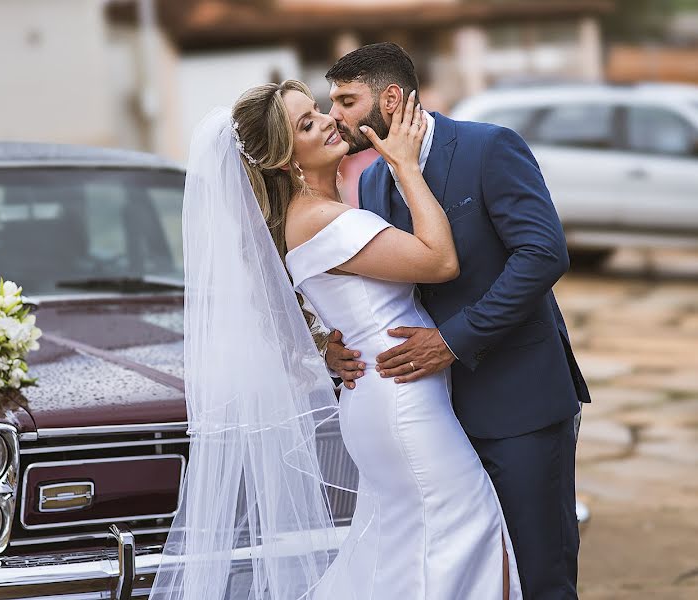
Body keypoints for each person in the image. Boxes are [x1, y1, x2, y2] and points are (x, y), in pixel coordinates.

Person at [150, 78, 521, 600]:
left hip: (380, 394)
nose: (328, 120)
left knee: (406, 551)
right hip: (402, 403)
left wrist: (328, 345)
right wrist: (407, 166)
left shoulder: (305, 218)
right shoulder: (324, 220)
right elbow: (440, 261)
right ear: (284, 160)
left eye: (319, 111)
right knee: (463, 534)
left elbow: (314, 304)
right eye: (307, 124)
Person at [324, 42, 591, 599]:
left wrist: (453, 340)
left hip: (520, 403)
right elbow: (387, 287)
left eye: (346, 100)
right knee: (477, 578)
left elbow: (543, 255)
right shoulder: (373, 183)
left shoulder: (487, 148)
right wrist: (336, 340)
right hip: (432, 418)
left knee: (539, 574)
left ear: (391, 98)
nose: (335, 116)